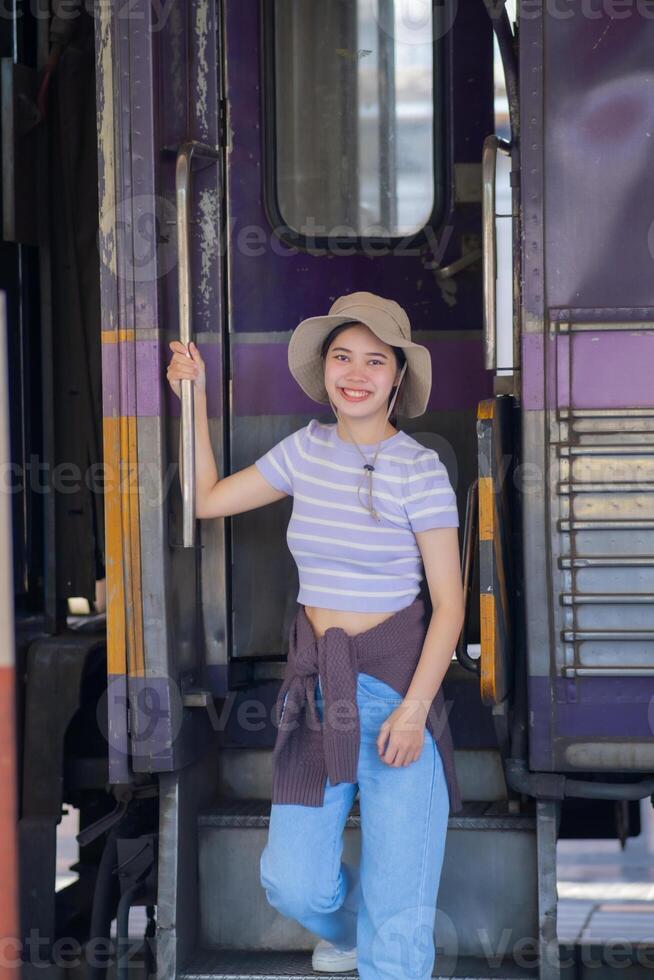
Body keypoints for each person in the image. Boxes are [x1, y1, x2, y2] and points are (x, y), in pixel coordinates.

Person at [166, 291, 465, 979]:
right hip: (316, 696)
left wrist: (417, 710)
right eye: (342, 357)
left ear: (396, 377)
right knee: (291, 883)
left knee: (399, 935)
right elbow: (209, 499)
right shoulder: (304, 450)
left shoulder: (420, 469)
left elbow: (449, 606)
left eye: (374, 360)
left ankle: (381, 941)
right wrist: (195, 397)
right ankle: (350, 927)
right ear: (325, 370)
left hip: (396, 698)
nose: (355, 373)